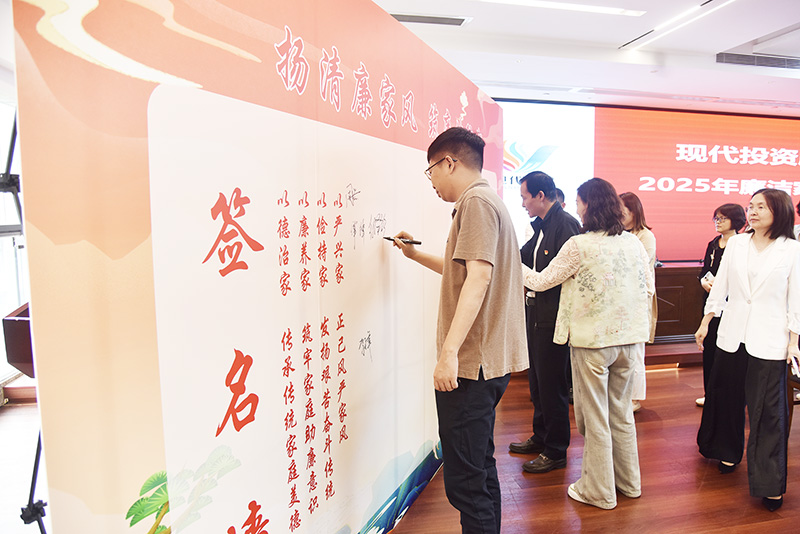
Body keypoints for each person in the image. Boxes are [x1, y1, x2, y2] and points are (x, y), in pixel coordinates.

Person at [391, 127, 528, 533]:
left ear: (449, 162)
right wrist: (414, 255)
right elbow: (464, 271)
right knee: (478, 469)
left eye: (431, 170)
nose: (431, 181)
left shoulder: (476, 203)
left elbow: (478, 278)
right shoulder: (487, 202)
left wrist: (449, 353)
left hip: (472, 366)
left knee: (467, 483)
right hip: (486, 363)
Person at [521, 177, 653, 510]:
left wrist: (511, 262)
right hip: (629, 341)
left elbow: (541, 281)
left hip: (593, 343)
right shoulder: (634, 243)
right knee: (621, 414)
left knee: (594, 419)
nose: (576, 208)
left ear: (588, 205)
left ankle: (599, 491)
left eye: (579, 202)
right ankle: (629, 483)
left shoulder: (579, 245)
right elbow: (648, 288)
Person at [694, 188, 800, 512]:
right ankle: (726, 451)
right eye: (750, 206)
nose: (752, 212)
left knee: (767, 412)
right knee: (725, 396)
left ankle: (770, 484)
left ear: (779, 211)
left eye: (760, 207)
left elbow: (796, 299)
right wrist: (706, 320)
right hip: (732, 332)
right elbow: (721, 285)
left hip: (770, 339)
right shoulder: (738, 244)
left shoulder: (792, 249)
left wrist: (794, 342)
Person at [508, 171, 580, 474]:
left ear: (540, 196)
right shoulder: (540, 226)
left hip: (554, 319)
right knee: (537, 384)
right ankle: (541, 436)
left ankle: (556, 450)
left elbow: (551, 277)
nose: (523, 203)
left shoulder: (566, 226)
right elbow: (521, 257)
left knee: (552, 387)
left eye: (525, 197)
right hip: (535, 314)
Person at [695, 203, 747, 407]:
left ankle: (729, 396)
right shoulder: (713, 244)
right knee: (709, 350)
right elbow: (704, 270)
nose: (718, 222)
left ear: (736, 220)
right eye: (716, 218)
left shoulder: (742, 244)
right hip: (711, 302)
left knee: (727, 352)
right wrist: (703, 281)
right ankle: (710, 394)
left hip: (731, 305)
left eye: (723, 218)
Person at [620, 192, 657, 413]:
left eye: (624, 210)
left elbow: (638, 269)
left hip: (637, 301)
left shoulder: (645, 236)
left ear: (634, 212)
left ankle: (634, 398)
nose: (619, 213)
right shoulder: (618, 234)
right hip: (620, 302)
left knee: (635, 352)